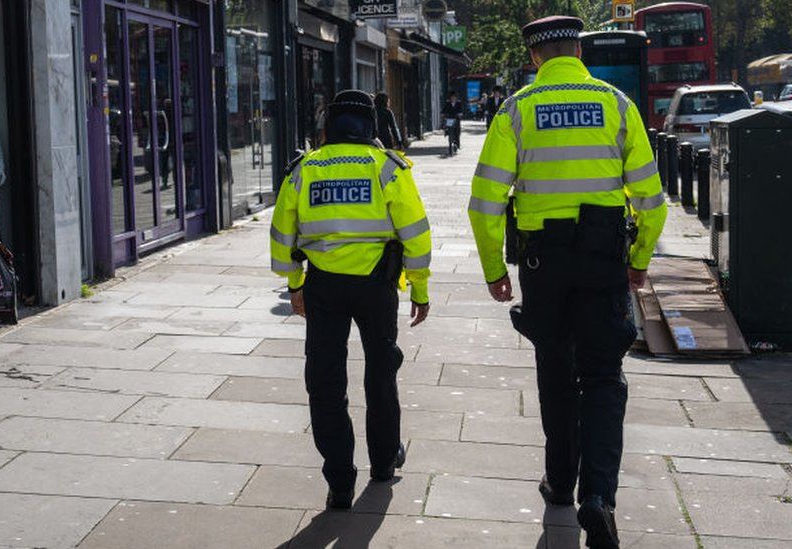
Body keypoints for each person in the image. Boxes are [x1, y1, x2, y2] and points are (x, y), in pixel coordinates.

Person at [467, 15, 666, 549]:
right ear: (578, 50)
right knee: (603, 376)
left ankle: (560, 484)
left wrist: (493, 270)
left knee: (555, 370)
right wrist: (640, 258)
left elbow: (484, 203)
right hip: (604, 257)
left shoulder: (516, 111)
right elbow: (651, 197)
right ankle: (598, 497)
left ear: (535, 57)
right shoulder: (617, 105)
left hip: (543, 264)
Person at [270, 90, 432, 511]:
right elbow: (415, 232)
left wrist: (294, 285)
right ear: (371, 128)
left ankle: (339, 480)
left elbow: (282, 236)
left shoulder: (304, 169)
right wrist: (420, 286)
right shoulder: (387, 168)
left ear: (327, 128)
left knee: (325, 382)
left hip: (323, 287)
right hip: (378, 287)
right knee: (381, 374)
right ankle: (383, 463)